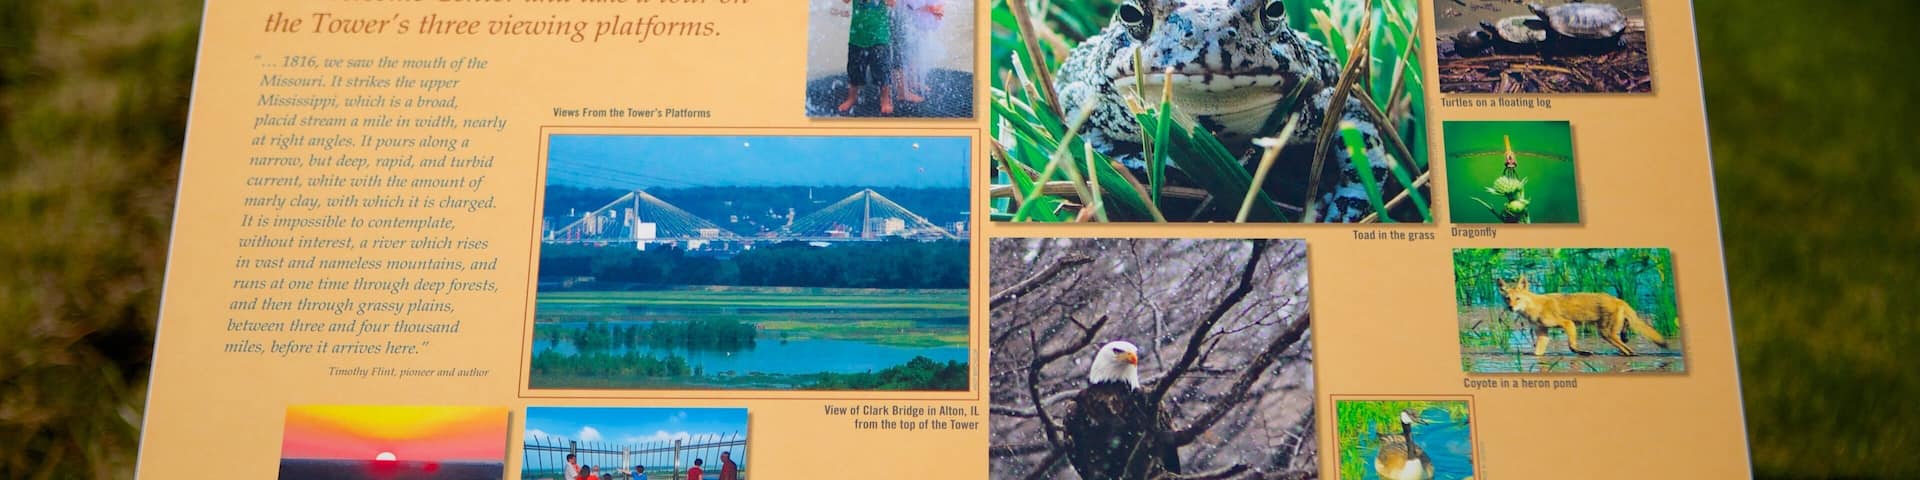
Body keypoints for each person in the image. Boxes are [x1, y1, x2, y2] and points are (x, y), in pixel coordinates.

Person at [837, 0, 897, 116]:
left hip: (879, 37)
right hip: (857, 37)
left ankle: (885, 99)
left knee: (882, 70)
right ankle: (852, 97)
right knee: (854, 70)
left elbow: (892, 3)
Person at [890, 0, 945, 103]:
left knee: (913, 51)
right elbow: (904, 5)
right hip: (898, 16)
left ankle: (912, 82)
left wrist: (932, 9)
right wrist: (927, 9)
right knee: (900, 54)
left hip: (909, 17)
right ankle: (902, 92)